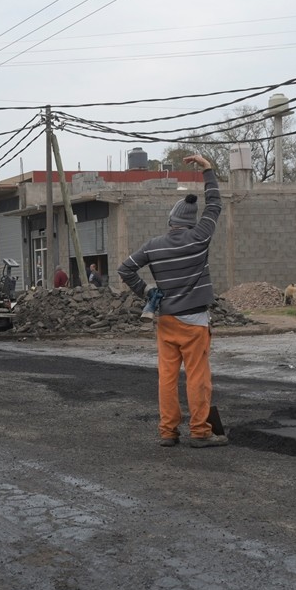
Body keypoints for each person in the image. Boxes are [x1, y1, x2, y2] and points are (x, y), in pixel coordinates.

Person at [117, 154, 226, 448]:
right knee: (197, 378)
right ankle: (201, 432)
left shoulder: (153, 246)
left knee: (166, 378)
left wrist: (145, 291)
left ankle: (168, 432)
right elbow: (214, 206)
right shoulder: (200, 237)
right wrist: (208, 171)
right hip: (194, 322)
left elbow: (124, 268)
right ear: (190, 223)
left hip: (165, 320)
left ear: (170, 221)